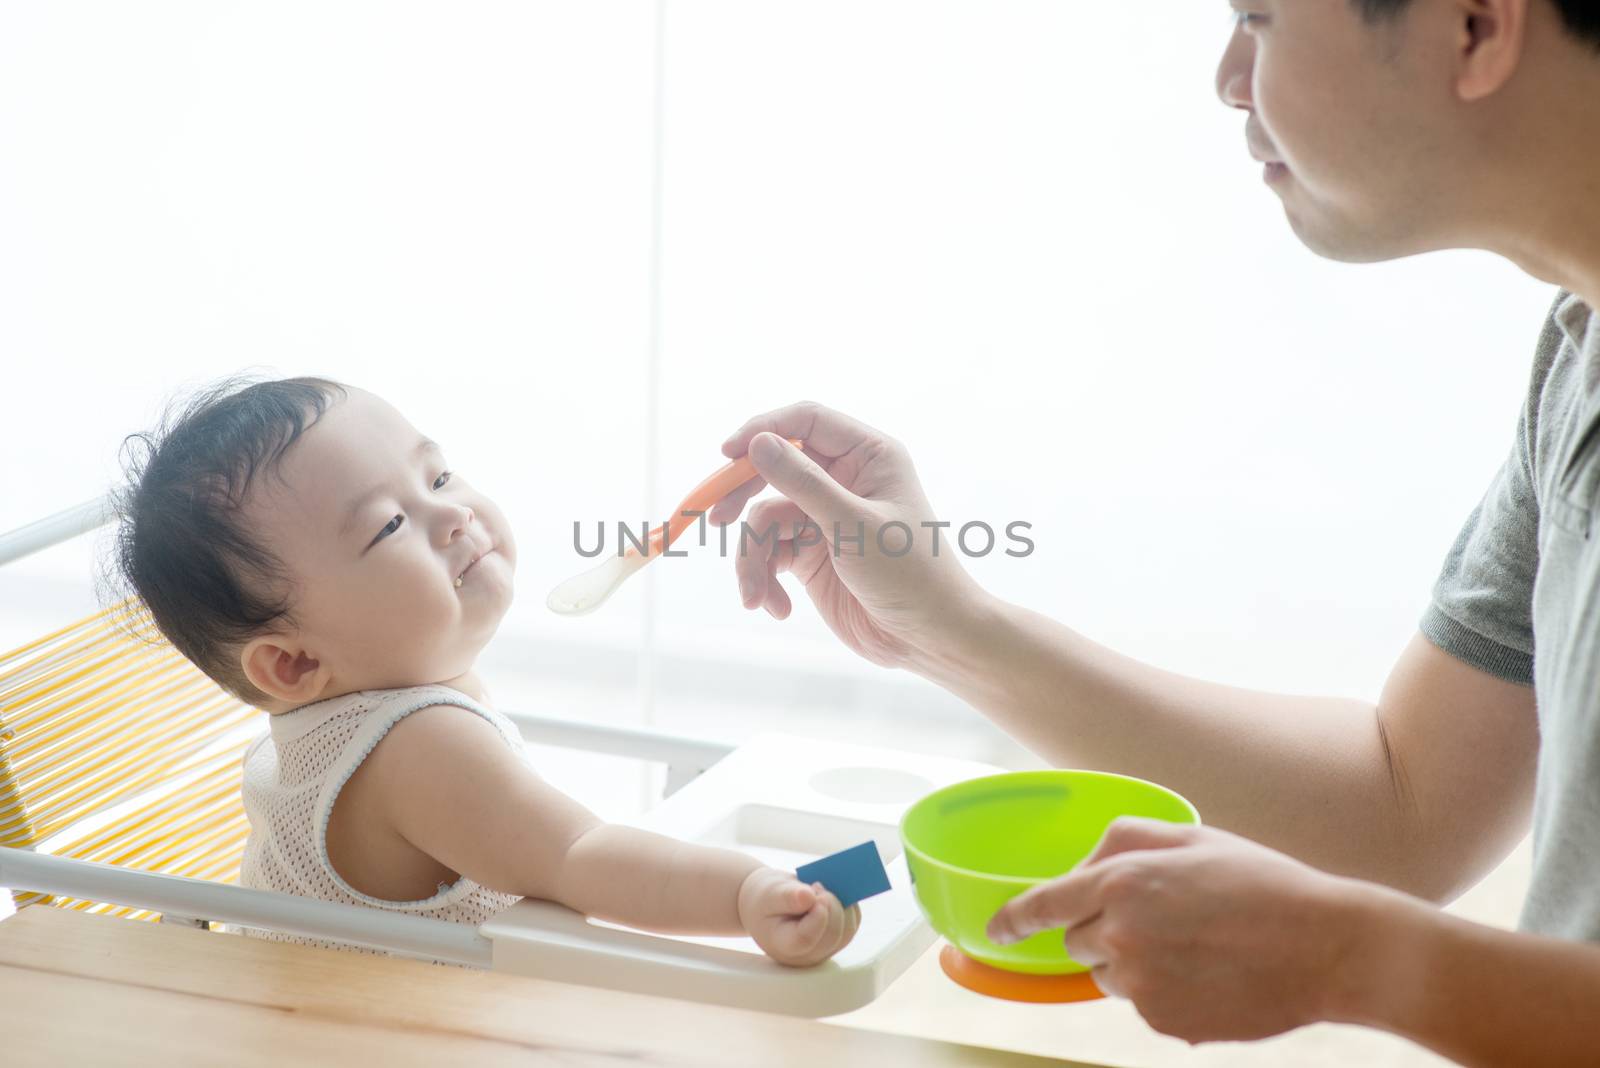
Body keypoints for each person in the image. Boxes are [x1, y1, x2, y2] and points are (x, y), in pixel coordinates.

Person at [706, 0, 1600, 1061]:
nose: (1228, 77)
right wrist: (945, 627)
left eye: (1260, 20)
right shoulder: (1577, 350)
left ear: (1472, 26)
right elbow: (1401, 810)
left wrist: (1354, 962)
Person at [111, 377, 859, 966]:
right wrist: (751, 893)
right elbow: (579, 857)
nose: (454, 516)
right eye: (389, 526)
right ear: (294, 662)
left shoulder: (319, 725)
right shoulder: (418, 746)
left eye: (438, 478)